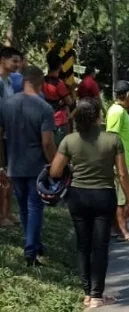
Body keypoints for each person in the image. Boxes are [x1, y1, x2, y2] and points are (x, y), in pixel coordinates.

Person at [49, 99, 129, 308]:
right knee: (100, 246)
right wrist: (128, 200)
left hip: (78, 196)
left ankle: (87, 293)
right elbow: (122, 173)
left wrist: (73, 166)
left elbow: (55, 171)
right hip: (104, 196)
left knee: (83, 245)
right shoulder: (113, 140)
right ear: (98, 116)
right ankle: (97, 295)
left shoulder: (69, 141)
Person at [0, 66, 57, 265]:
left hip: (14, 164)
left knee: (24, 208)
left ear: (24, 81)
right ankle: (31, 251)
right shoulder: (44, 108)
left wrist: (2, 164)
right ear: (40, 83)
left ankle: (34, 243)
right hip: (37, 167)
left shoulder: (6, 105)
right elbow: (47, 142)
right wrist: (55, 164)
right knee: (35, 207)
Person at [106, 80, 129, 243]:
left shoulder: (121, 111)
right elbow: (112, 137)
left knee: (123, 197)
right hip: (122, 162)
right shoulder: (117, 112)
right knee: (121, 198)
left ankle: (119, 228)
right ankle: (123, 231)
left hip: (128, 161)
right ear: (126, 95)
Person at [0, 47, 21, 228]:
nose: (17, 65)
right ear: (3, 59)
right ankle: (1, 215)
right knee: (2, 174)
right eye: (14, 61)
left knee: (9, 173)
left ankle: (8, 212)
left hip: (9, 134)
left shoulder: (8, 82)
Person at [42, 53, 73, 147]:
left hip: (45, 118)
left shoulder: (42, 81)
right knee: (61, 148)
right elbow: (69, 101)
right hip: (59, 120)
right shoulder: (59, 84)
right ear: (60, 66)